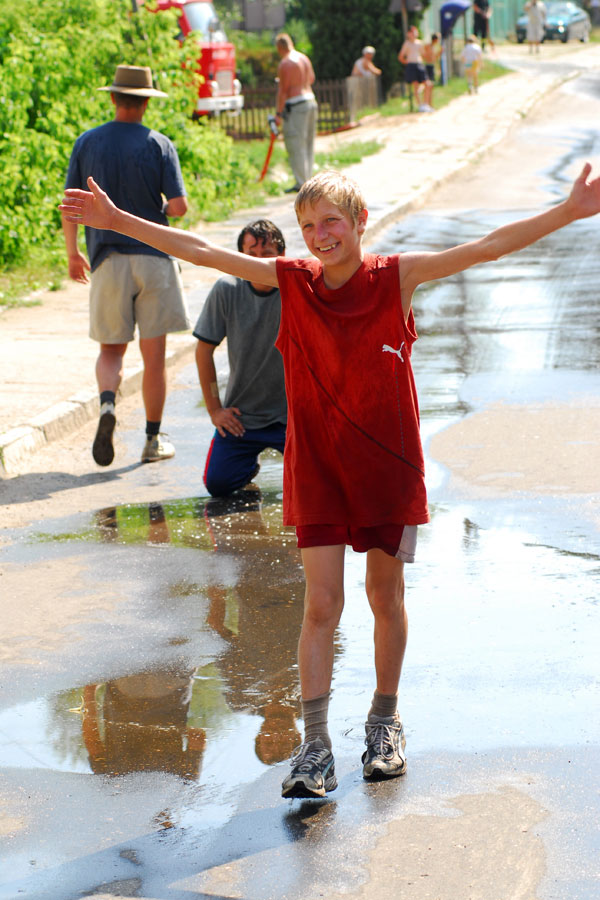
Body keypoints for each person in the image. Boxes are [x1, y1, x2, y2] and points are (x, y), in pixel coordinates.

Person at [60, 162, 600, 799]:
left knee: (383, 596)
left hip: (386, 467)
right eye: (309, 225)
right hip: (317, 467)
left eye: (332, 222)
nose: (320, 235)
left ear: (361, 221)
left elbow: (483, 248)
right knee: (320, 606)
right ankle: (315, 748)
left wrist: (568, 212)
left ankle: (383, 721)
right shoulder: (291, 282)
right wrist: (119, 221)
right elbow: (201, 250)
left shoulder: (397, 277)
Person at [62, 64, 190, 468]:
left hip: (108, 259)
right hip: (154, 259)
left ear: (113, 98)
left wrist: (72, 253)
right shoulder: (159, 143)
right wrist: (165, 207)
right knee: (154, 358)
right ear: (146, 103)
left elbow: (71, 203)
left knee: (111, 350)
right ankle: (153, 440)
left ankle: (106, 407)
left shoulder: (87, 142)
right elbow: (179, 206)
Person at [194, 220, 287, 497]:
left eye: (267, 254)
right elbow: (203, 351)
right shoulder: (227, 290)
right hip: (242, 417)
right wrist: (214, 410)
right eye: (250, 255)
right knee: (218, 485)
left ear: (281, 257)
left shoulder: (296, 289)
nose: (258, 262)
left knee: (319, 488)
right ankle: (247, 466)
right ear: (238, 259)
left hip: (292, 417)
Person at [274, 33, 318, 194]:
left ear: (279, 47)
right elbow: (311, 78)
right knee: (308, 143)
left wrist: (278, 114)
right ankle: (309, 180)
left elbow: (283, 90)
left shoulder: (286, 63)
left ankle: (302, 183)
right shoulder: (304, 58)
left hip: (296, 104)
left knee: (295, 144)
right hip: (311, 101)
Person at [398, 26, 432, 112]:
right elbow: (401, 57)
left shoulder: (419, 43)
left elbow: (424, 55)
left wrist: (428, 50)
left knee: (427, 84)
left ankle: (426, 104)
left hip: (419, 64)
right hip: (411, 65)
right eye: (412, 32)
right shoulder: (407, 44)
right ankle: (420, 106)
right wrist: (408, 63)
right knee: (415, 86)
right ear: (408, 34)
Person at [422, 33, 442, 107]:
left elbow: (434, 58)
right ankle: (426, 103)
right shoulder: (428, 46)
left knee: (431, 86)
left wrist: (439, 53)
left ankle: (430, 104)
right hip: (427, 66)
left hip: (432, 66)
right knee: (428, 85)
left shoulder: (434, 47)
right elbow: (425, 56)